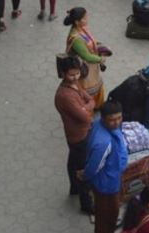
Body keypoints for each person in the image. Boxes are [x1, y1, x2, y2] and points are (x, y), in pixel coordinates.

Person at [54, 55, 95, 216]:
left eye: (77, 73)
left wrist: (86, 107)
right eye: (71, 74)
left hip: (75, 135)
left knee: (74, 162)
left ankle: (74, 188)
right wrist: (87, 108)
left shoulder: (73, 85)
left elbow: (90, 99)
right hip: (79, 136)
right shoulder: (65, 96)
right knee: (83, 169)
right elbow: (85, 117)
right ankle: (86, 203)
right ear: (63, 73)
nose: (76, 77)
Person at [82, 101, 128, 233]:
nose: (117, 122)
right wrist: (85, 175)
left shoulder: (100, 124)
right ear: (103, 118)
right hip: (106, 185)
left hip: (112, 175)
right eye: (112, 120)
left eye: (119, 117)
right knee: (107, 216)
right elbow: (93, 167)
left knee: (109, 213)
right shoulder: (103, 143)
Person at [64, 7, 108, 108]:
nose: (87, 19)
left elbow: (91, 40)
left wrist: (100, 45)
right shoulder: (76, 39)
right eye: (84, 18)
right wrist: (101, 59)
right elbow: (86, 56)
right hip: (84, 69)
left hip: (91, 66)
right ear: (77, 22)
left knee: (96, 83)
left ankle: (97, 105)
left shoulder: (82, 28)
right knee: (89, 89)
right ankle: (89, 107)